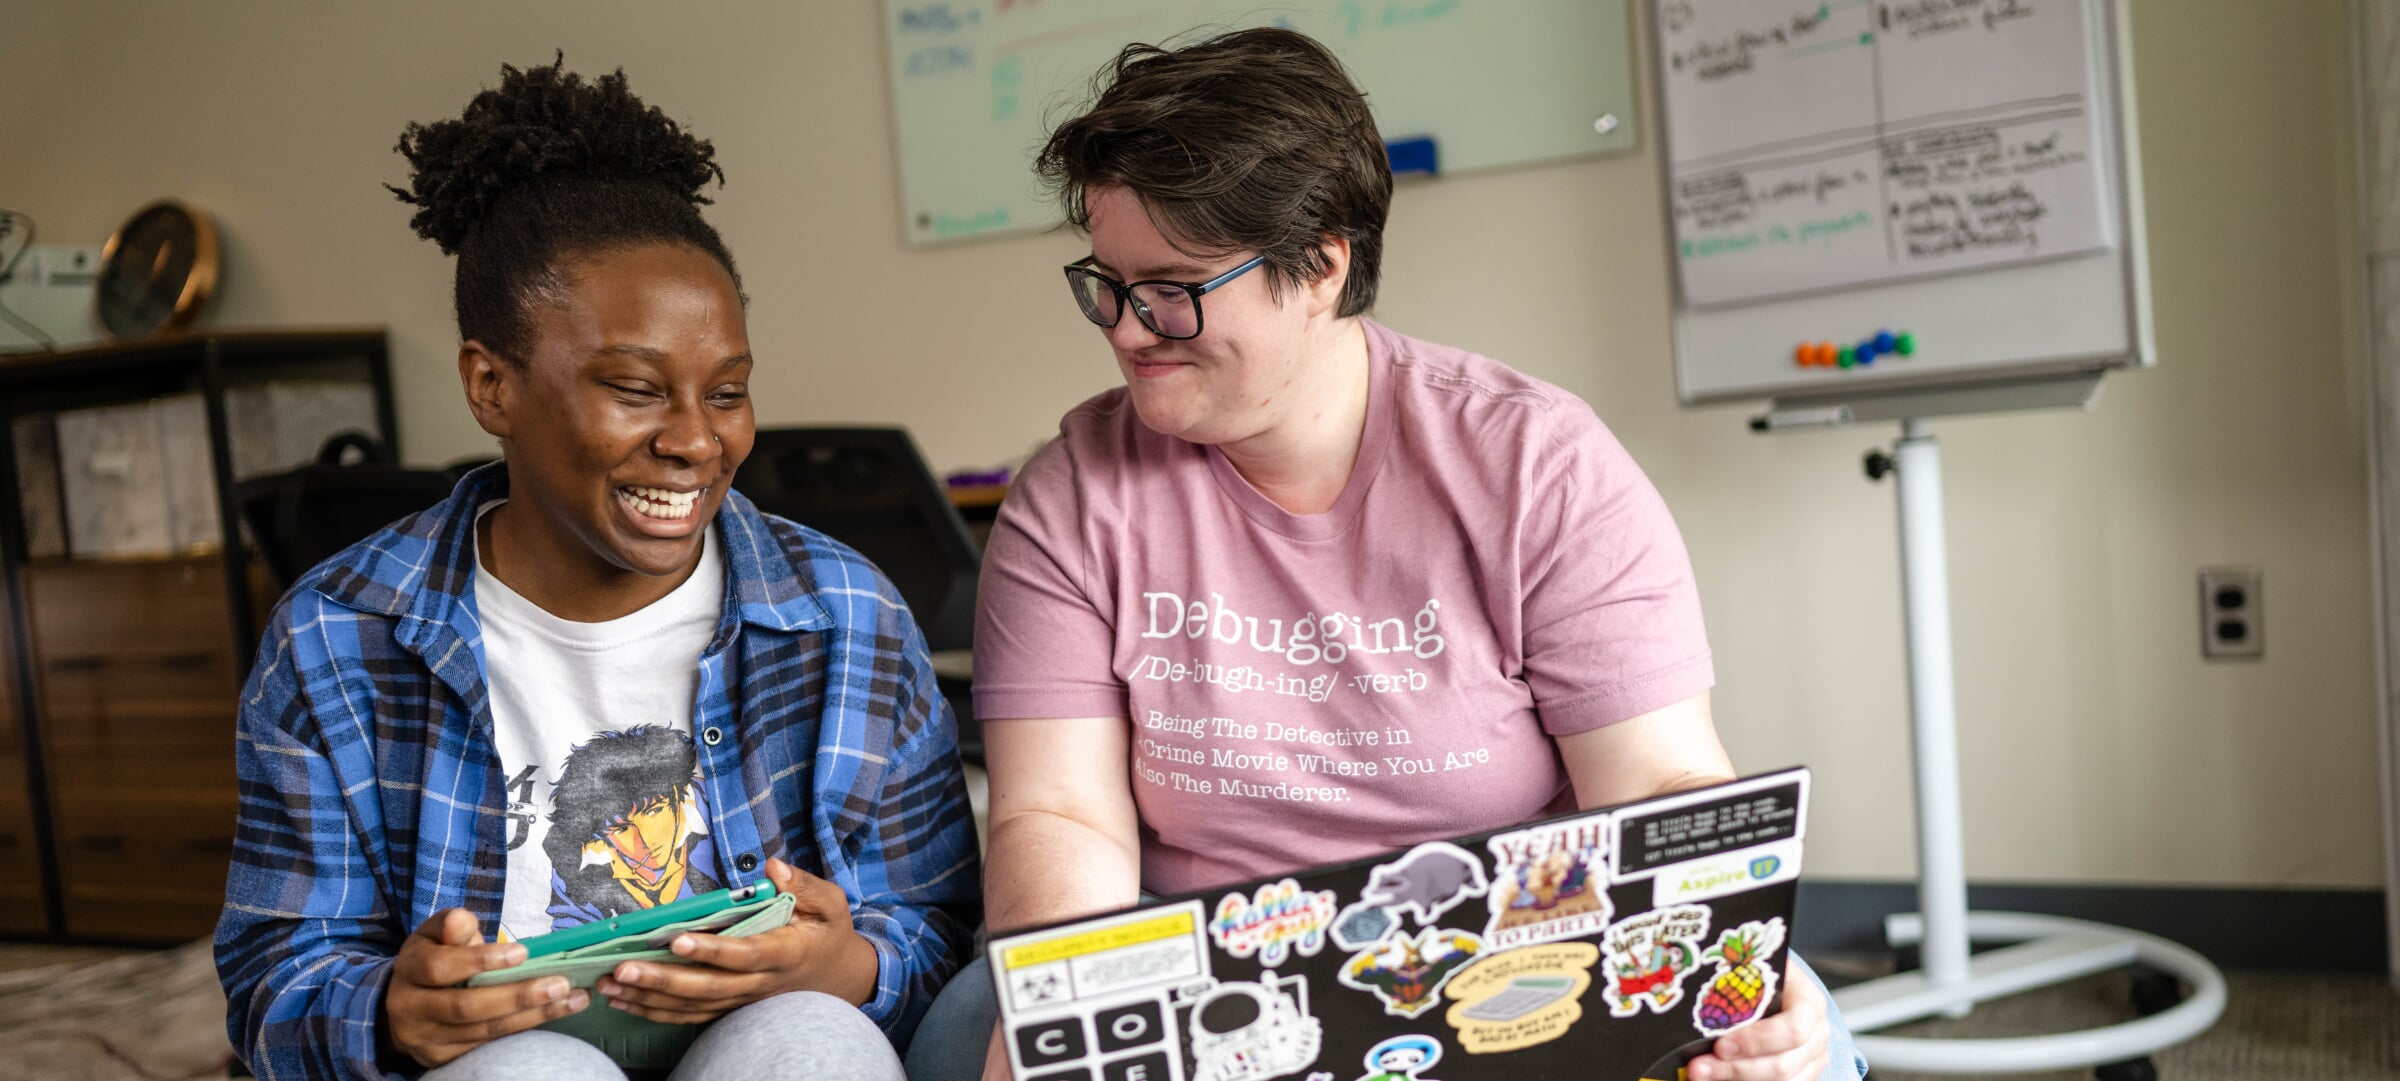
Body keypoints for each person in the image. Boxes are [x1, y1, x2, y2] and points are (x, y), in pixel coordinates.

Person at [905, 28, 1866, 1081]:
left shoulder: (1536, 465)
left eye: (1172, 288)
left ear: (1321, 265)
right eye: (1108, 282)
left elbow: (1657, 780)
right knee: (972, 1031)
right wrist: (1073, 1025)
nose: (1128, 330)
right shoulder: (1072, 495)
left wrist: (1705, 975)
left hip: (1509, 942)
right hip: (1197, 959)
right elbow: (1061, 815)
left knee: (1793, 1039)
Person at [214, 58, 979, 1081]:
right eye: (634, 388)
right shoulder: (336, 635)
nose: (695, 442)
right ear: (492, 384)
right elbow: (273, 982)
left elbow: (943, 940)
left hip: (768, 1050)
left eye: (727, 392)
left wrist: (850, 963)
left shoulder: (844, 615)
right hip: (508, 1066)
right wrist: (391, 1012)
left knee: (815, 1040)